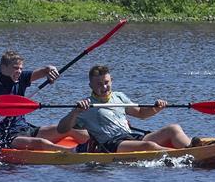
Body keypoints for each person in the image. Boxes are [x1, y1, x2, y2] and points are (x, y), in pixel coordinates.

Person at [0, 50, 89, 150]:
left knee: (69, 130)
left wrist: (52, 71)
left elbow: (46, 70)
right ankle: (70, 154)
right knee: (41, 143)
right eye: (15, 68)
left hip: (26, 129)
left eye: (21, 68)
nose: (19, 71)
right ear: (2, 67)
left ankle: (96, 145)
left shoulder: (21, 79)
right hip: (8, 138)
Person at [57, 65, 198, 153]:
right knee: (148, 145)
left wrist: (156, 109)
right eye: (99, 84)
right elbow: (61, 129)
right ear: (91, 86)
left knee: (173, 128)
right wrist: (75, 112)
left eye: (106, 82)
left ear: (111, 80)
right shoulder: (86, 106)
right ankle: (187, 156)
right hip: (111, 144)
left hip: (130, 137)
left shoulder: (119, 97)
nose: (104, 87)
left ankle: (193, 149)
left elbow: (142, 114)